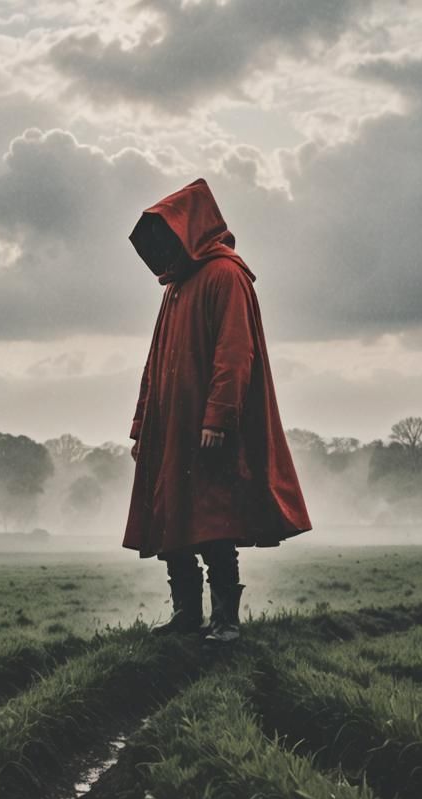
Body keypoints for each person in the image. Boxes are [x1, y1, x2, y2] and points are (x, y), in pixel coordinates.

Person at [123, 178, 312, 642]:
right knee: (171, 518)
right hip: (170, 428)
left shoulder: (225, 276)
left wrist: (217, 418)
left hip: (205, 428)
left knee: (212, 519)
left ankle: (226, 620)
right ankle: (187, 615)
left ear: (191, 227)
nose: (163, 246)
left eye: (170, 233)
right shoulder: (175, 287)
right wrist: (141, 425)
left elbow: (234, 353)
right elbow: (156, 363)